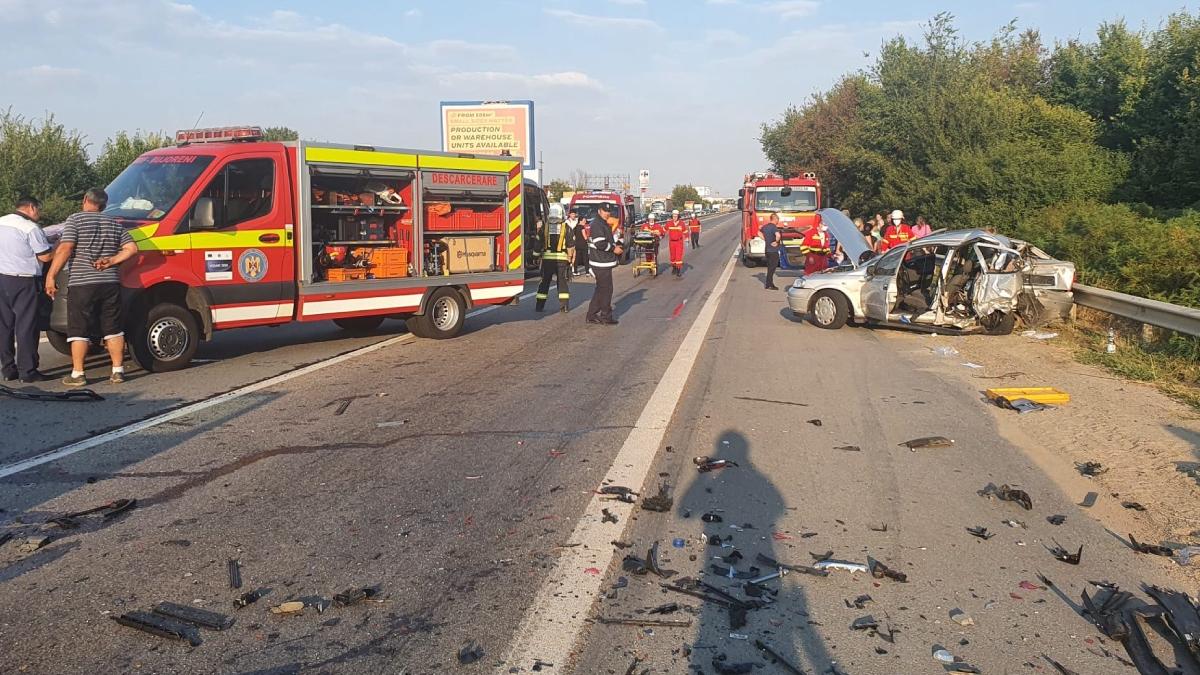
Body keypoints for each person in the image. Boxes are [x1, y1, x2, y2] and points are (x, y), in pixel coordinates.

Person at [45, 188, 138, 386]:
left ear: (85, 199)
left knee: (79, 329)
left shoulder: (75, 219)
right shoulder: (114, 223)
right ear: (104, 205)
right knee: (113, 328)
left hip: (82, 283)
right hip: (110, 282)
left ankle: (78, 374)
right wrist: (112, 260)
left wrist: (51, 276)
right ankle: (118, 371)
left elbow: (66, 248)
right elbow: (132, 248)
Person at [0, 196, 53, 383]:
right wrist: (60, 248)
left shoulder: (2, 221)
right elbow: (45, 256)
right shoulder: (30, 228)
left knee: (4, 325)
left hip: (2, 278)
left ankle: (8, 369)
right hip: (24, 281)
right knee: (26, 325)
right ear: (31, 207)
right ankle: (27, 371)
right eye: (39, 209)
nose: (39, 214)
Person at [533, 208, 575, 313]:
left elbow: (538, 243)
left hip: (547, 260)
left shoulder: (545, 227)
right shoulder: (566, 227)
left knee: (545, 282)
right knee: (562, 282)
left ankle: (539, 306)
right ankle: (564, 307)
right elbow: (570, 245)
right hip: (562, 259)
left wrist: (535, 256)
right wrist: (570, 259)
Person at [585, 203, 621, 325]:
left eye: (609, 211)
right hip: (600, 262)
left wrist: (616, 244)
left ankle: (591, 315)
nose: (607, 213)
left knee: (601, 289)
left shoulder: (602, 223)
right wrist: (613, 249)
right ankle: (606, 316)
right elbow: (600, 243)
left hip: (602, 261)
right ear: (599, 211)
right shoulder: (597, 224)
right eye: (605, 211)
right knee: (606, 290)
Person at [761, 213, 781, 290]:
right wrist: (776, 241)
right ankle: (769, 284)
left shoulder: (765, 226)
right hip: (773, 251)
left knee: (769, 267)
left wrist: (765, 239)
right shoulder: (774, 227)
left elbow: (758, 232)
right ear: (775, 219)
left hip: (767, 250)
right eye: (778, 220)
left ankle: (768, 284)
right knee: (772, 268)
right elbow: (778, 235)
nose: (778, 221)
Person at [665, 209, 687, 277]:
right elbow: (663, 230)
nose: (674, 217)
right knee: (672, 257)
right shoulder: (669, 223)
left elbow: (685, 232)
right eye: (673, 216)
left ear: (678, 216)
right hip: (671, 242)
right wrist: (658, 235)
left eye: (676, 216)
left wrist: (687, 238)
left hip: (679, 242)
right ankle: (674, 267)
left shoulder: (682, 223)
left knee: (678, 257)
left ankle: (678, 270)